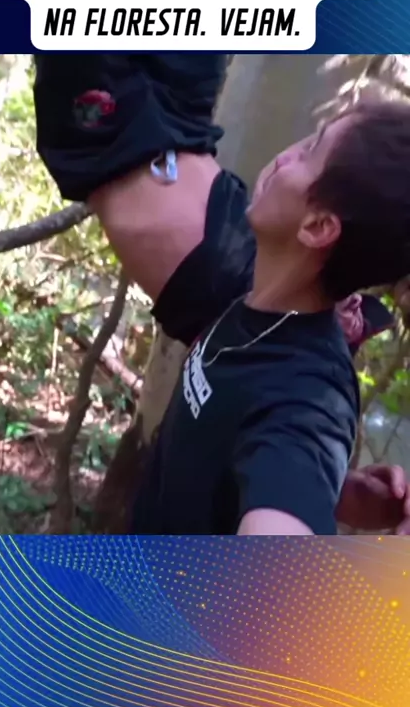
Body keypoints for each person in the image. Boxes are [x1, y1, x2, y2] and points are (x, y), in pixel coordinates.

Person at [34, 53, 410, 535]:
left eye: (309, 152)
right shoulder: (264, 307)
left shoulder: (307, 401)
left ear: (318, 227)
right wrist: (326, 489)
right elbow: (254, 448)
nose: (287, 154)